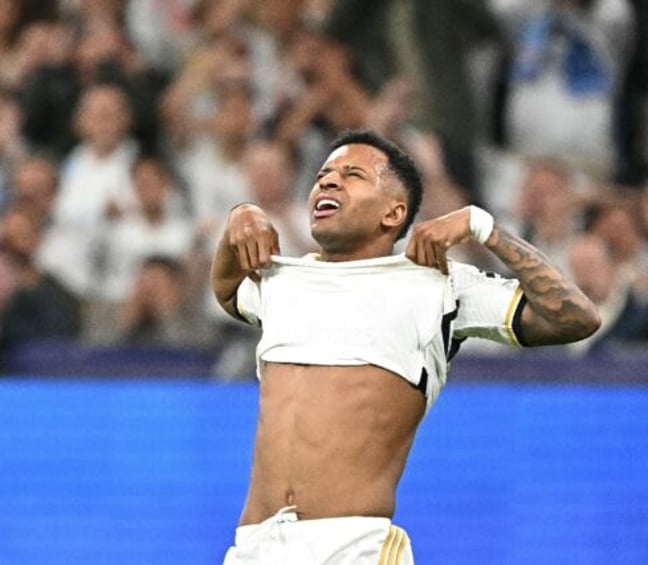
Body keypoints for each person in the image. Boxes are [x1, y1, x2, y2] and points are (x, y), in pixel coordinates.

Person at [211, 129, 600, 564]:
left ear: (394, 213)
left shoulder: (438, 284)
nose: (328, 181)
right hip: (254, 547)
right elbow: (227, 290)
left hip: (351, 547)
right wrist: (239, 217)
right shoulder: (281, 279)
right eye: (323, 174)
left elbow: (575, 317)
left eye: (352, 174)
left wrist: (483, 227)